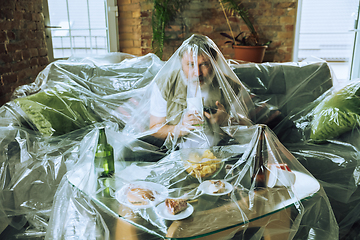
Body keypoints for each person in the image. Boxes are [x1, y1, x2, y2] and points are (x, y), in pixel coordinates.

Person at [147, 34, 254, 148]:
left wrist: (227, 120)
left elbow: (249, 132)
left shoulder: (231, 87)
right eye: (190, 64)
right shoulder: (165, 84)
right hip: (177, 154)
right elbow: (155, 129)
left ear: (214, 62)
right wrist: (181, 128)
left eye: (204, 64)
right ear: (181, 63)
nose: (197, 73)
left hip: (220, 153)